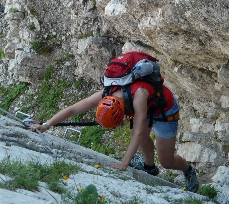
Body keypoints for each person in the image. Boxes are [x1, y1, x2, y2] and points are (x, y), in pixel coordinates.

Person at [29, 52, 199, 193]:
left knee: (166, 161)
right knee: (138, 134)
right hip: (145, 104)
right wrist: (46, 125)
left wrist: (125, 162)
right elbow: (74, 109)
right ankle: (149, 167)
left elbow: (139, 133)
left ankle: (188, 170)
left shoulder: (138, 96)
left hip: (164, 108)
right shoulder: (106, 93)